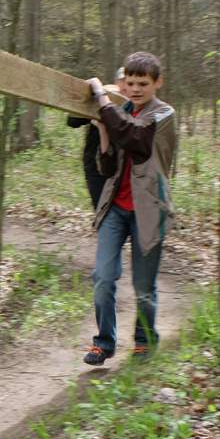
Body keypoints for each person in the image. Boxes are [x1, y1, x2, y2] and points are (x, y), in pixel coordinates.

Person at [82, 52, 178, 366]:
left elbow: (136, 139)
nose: (135, 89)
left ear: (157, 83)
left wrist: (101, 99)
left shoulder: (164, 115)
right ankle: (104, 342)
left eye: (143, 83)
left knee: (143, 287)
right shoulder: (121, 111)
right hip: (115, 207)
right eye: (131, 83)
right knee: (103, 278)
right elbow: (108, 167)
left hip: (148, 209)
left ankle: (144, 340)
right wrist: (104, 135)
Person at [66, 68, 126, 209]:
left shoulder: (134, 105)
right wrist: (95, 109)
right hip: (95, 165)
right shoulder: (104, 97)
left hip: (120, 168)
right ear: (117, 81)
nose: (125, 85)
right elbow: (72, 121)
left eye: (128, 82)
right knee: (101, 209)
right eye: (122, 81)